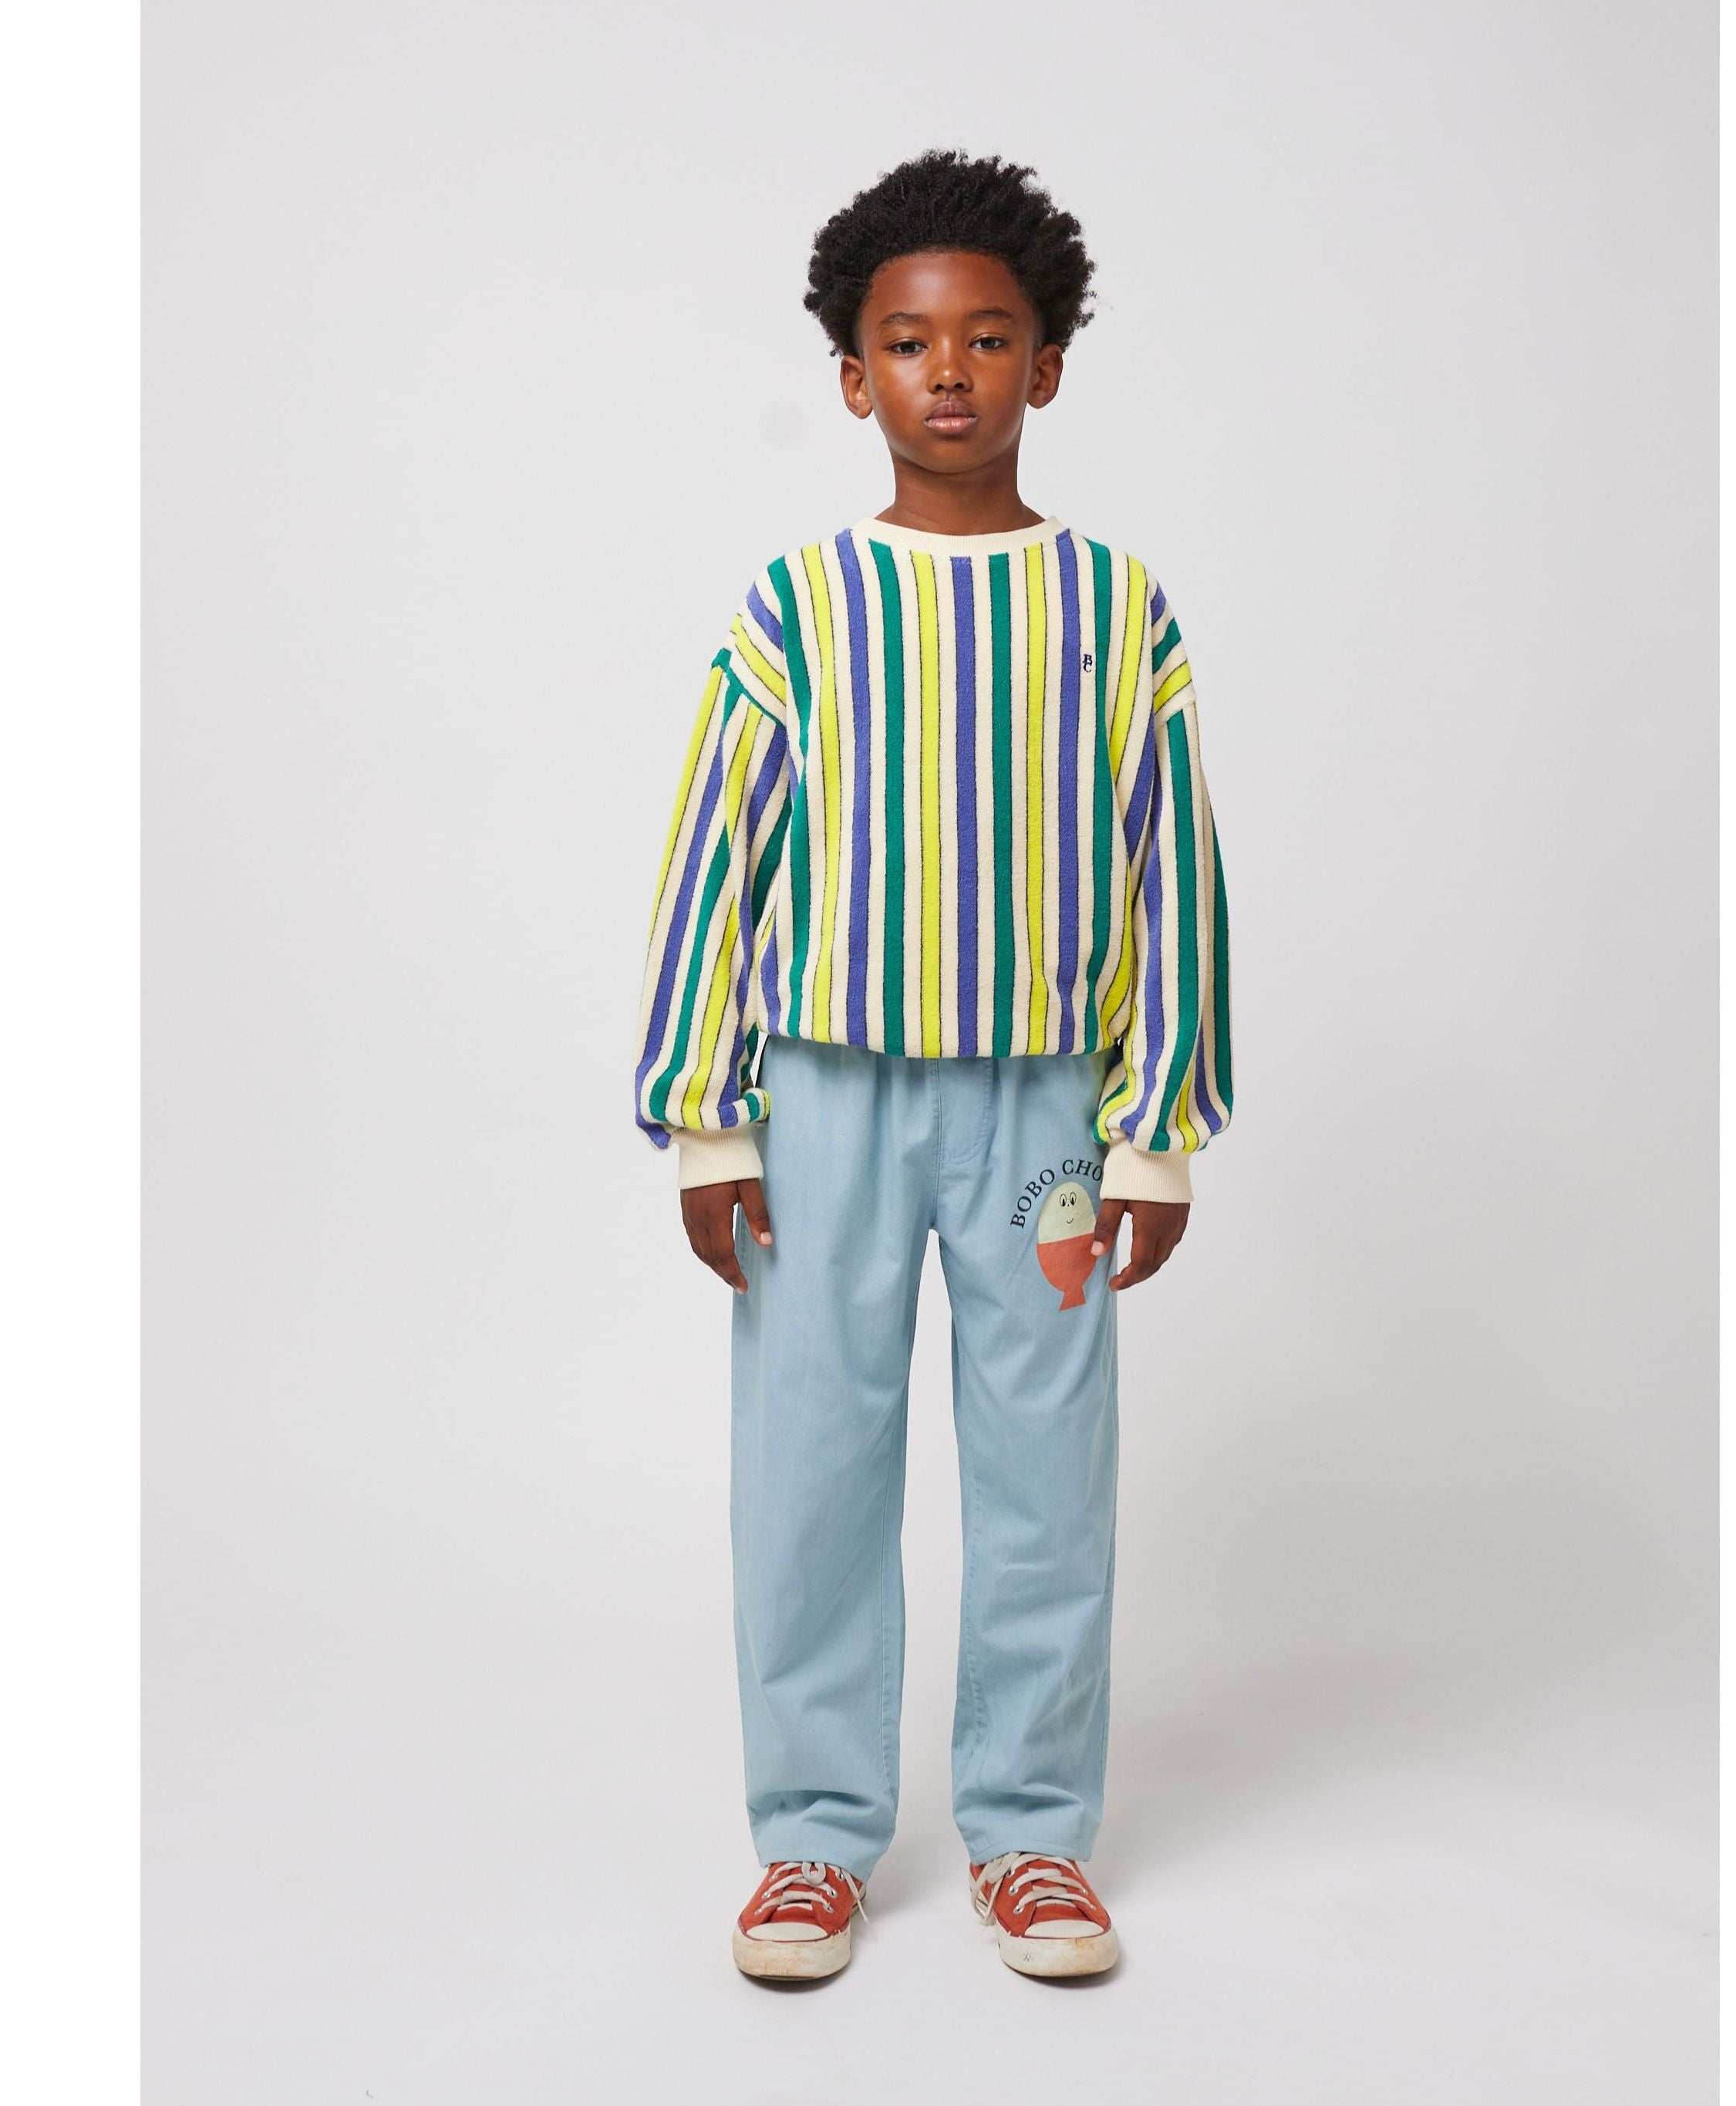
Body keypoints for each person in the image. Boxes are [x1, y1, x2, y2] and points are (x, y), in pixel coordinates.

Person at [629, 148, 1232, 1982]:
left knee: (1049, 1472)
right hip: (823, 1101)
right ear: (852, 377)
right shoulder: (798, 608)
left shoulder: (1116, 609)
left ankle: (1032, 1834)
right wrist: (707, 1123)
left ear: (1046, 364)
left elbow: (1173, 868)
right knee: (812, 1462)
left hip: (1045, 1111)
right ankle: (813, 1840)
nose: (948, 371)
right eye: (908, 342)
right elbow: (715, 855)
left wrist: (1156, 1135)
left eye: (986, 337)